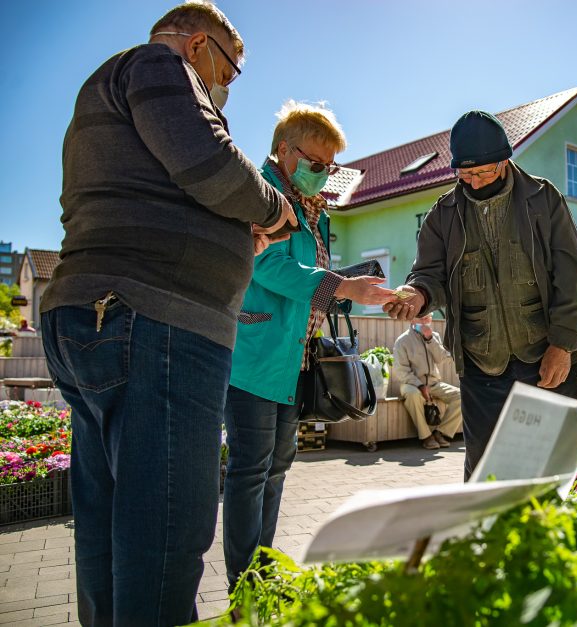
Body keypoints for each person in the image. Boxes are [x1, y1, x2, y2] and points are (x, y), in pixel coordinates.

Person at [38, 3, 297, 625]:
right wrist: (272, 212)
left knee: (109, 527)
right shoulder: (160, 64)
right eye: (229, 74)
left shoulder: (114, 86)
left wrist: (236, 238)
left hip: (112, 317)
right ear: (201, 45)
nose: (226, 92)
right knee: (166, 535)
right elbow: (208, 163)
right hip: (156, 324)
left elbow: (173, 188)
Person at [222, 101, 396, 592]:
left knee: (276, 467)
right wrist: (344, 286)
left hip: (293, 358)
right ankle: (244, 585)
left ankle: (262, 572)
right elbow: (269, 267)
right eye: (317, 164)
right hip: (255, 354)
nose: (324, 174)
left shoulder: (311, 209)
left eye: (330, 166)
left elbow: (312, 277)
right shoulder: (260, 192)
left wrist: (358, 284)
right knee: (251, 470)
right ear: (285, 150)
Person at [385, 110, 577, 482]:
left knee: (568, 467)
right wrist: (417, 295)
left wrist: (563, 345)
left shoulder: (543, 199)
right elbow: (429, 274)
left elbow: (572, 275)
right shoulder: (443, 214)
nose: (473, 180)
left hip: (546, 358)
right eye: (464, 174)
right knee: (488, 475)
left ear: (504, 161)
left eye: (482, 171)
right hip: (482, 367)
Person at [392, 314, 462, 450]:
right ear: (412, 320)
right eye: (421, 318)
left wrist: (430, 339)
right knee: (413, 395)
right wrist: (419, 385)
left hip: (434, 383)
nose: (425, 321)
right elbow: (401, 371)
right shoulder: (402, 341)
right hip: (411, 384)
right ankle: (426, 437)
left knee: (462, 397)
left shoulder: (434, 336)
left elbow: (441, 359)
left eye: (428, 318)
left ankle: (441, 433)